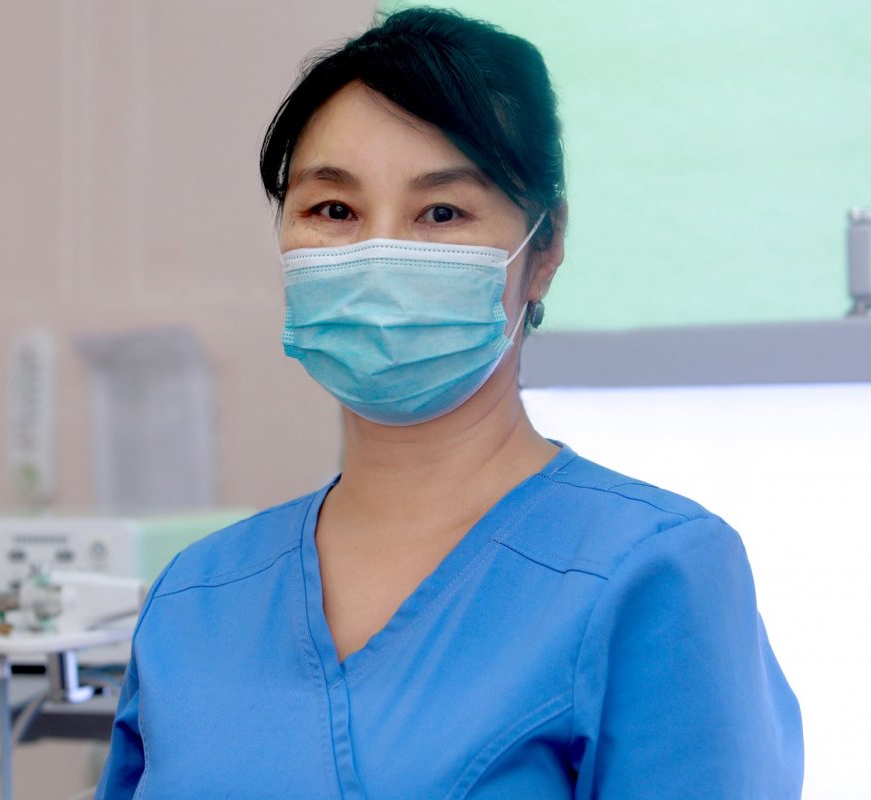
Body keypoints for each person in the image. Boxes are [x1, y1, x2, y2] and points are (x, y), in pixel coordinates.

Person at [95, 8, 803, 798]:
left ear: (544, 250)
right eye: (334, 211)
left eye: (441, 213)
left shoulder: (655, 575)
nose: (379, 255)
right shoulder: (197, 598)